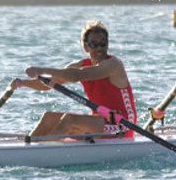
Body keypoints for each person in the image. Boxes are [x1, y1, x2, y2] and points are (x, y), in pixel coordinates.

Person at [9, 20, 138, 138]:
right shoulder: (80, 64)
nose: (99, 48)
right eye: (94, 44)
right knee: (49, 117)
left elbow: (76, 75)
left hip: (122, 124)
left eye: (103, 43)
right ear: (86, 47)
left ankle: (45, 148)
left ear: (108, 44)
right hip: (99, 121)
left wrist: (41, 70)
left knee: (69, 119)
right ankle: (31, 146)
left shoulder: (113, 65)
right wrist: (21, 83)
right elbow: (48, 83)